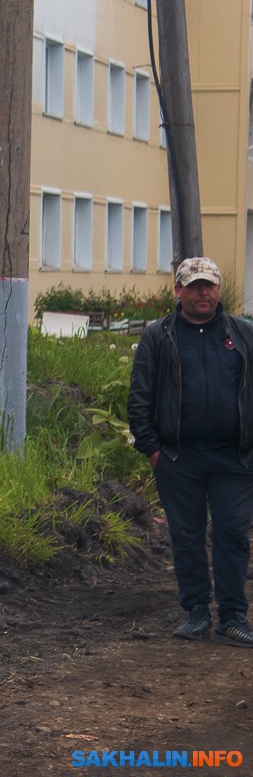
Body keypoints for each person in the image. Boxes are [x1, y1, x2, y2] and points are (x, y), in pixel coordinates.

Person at [128, 256, 253, 649]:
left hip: (234, 458)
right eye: (195, 285)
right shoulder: (158, 336)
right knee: (186, 535)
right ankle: (197, 611)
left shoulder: (243, 334)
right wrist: (154, 453)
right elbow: (140, 399)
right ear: (178, 290)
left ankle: (232, 617)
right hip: (178, 458)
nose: (203, 292)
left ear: (218, 289)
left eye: (210, 285)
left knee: (233, 532)